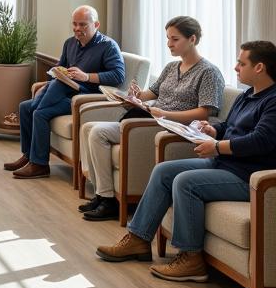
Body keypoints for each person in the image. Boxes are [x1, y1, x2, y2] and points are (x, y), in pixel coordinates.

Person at [96, 41, 276, 282]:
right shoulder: (248, 94)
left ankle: (191, 259)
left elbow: (261, 140)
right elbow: (230, 126)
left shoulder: (272, 101)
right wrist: (213, 129)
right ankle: (138, 240)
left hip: (249, 175)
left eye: (241, 63)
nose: (235, 68)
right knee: (163, 171)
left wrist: (218, 147)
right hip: (227, 164)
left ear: (259, 67)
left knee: (185, 182)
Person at [80, 16, 225, 220]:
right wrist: (134, 96)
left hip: (171, 126)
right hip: (152, 119)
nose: (169, 44)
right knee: (88, 128)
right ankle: (102, 194)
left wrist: (165, 114)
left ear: (192, 39)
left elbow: (205, 112)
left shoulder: (208, 72)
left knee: (98, 132)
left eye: (175, 39)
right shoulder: (171, 67)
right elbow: (151, 94)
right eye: (167, 38)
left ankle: (108, 201)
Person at [5, 5, 125, 179]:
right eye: (75, 24)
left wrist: (86, 77)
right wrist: (51, 81)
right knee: (26, 106)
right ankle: (28, 156)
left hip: (84, 97)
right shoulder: (69, 43)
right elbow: (59, 68)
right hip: (63, 92)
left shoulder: (108, 46)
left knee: (39, 112)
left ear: (96, 25)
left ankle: (39, 165)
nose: (77, 29)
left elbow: (118, 76)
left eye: (83, 24)